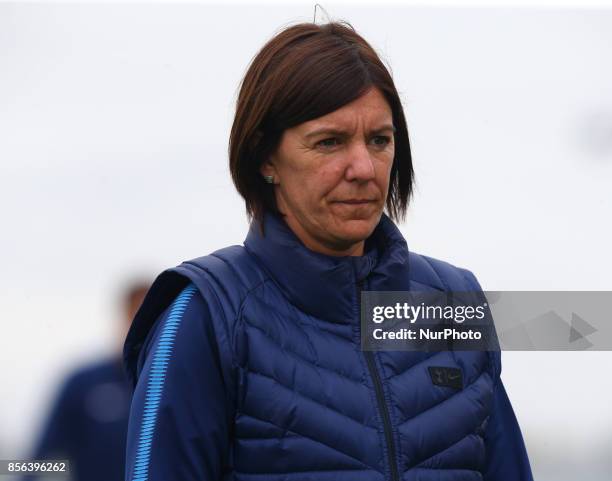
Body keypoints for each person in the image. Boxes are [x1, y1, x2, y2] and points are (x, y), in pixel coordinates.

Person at [123, 21, 534, 481]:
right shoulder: (206, 314)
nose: (363, 167)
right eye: (329, 142)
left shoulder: (453, 302)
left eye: (379, 140)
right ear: (266, 158)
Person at [23, 280, 150, 481]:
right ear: (125, 315)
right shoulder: (83, 383)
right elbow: (41, 458)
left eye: (154, 320)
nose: (145, 328)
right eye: (138, 316)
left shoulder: (180, 389)